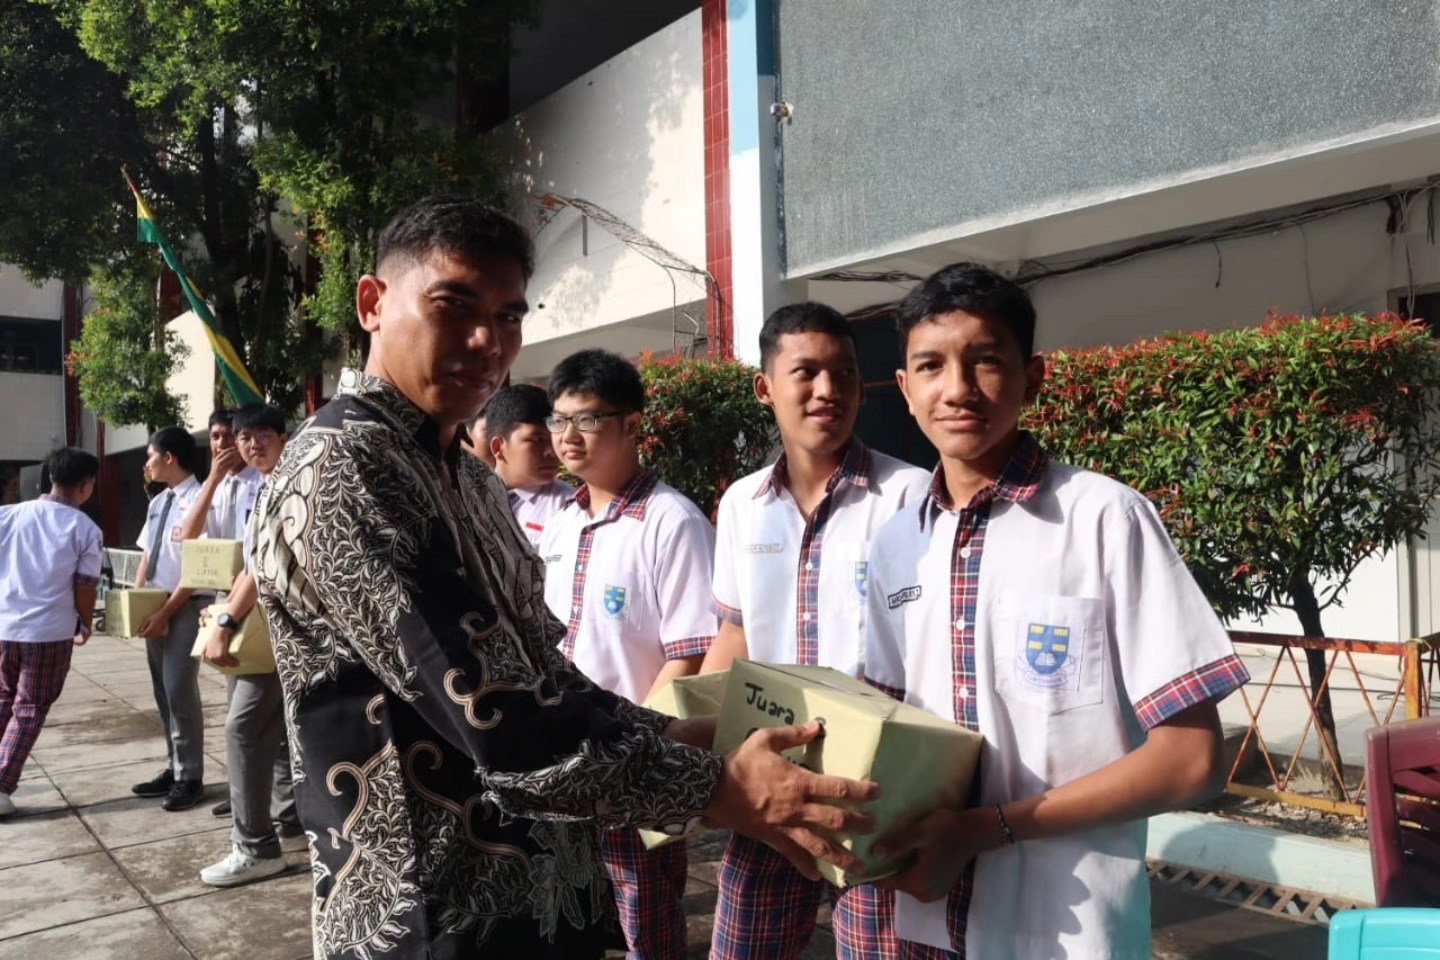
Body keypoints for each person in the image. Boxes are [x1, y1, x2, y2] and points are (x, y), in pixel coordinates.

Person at [249, 196, 879, 960]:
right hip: (427, 914)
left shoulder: (470, 479)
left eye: (509, 316)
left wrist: (666, 732)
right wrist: (721, 789)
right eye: (454, 305)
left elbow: (540, 669)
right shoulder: (345, 467)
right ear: (372, 303)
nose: (488, 341)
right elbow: (498, 718)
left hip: (540, 893)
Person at [856, 263, 1251, 958]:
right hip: (923, 918)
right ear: (906, 389)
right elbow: (886, 732)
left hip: (1066, 933)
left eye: (986, 360)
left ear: (1032, 377)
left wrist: (982, 830)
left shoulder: (1105, 520)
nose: (957, 388)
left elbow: (1191, 760)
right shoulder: (897, 545)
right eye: (931, 365)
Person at [698, 302, 930, 960]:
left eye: (844, 373)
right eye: (806, 372)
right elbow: (735, 636)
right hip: (769, 783)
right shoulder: (742, 505)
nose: (829, 390)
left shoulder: (910, 496)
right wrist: (691, 748)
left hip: (874, 792)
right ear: (765, 387)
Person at [539, 349, 717, 960]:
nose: (568, 436)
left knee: (645, 911)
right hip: (561, 756)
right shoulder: (561, 522)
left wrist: (631, 749)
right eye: (559, 420)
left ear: (632, 425)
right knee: (569, 912)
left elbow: (690, 654)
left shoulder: (672, 522)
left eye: (587, 420)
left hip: (632, 760)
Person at [194, 403, 305, 886]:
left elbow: (262, 570)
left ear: (284, 438)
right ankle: (287, 820)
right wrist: (225, 610)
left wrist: (225, 620)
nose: (252, 443)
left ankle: (256, 846)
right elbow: (249, 566)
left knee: (244, 729)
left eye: (263, 434)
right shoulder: (262, 490)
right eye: (245, 437)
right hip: (269, 629)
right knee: (271, 733)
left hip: (290, 632)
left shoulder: (289, 486)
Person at [0, 448, 103, 817]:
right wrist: (85, 623)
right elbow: (86, 587)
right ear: (86, 485)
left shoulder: (8, 515)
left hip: (5, 625)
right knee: (30, 707)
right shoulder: (84, 528)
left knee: (3, 698)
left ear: (50, 477)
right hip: (49, 632)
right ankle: (1, 783)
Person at [131, 426, 219, 812]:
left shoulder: (202, 499)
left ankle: (190, 776)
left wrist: (165, 611)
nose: (147, 464)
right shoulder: (158, 502)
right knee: (162, 692)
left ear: (169, 458)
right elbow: (147, 555)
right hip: (155, 604)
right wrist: (138, 601)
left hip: (186, 604)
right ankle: (175, 766)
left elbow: (199, 568)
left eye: (150, 456)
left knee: (179, 688)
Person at [177, 407, 257, 819]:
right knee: (236, 702)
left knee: (254, 711)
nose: (223, 444)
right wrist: (212, 479)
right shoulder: (217, 485)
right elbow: (188, 535)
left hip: (258, 597)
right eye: (216, 437)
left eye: (230, 436)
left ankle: (265, 799)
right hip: (226, 600)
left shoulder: (261, 481)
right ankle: (243, 791)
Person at [484, 383, 571, 548]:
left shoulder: (568, 507)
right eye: (537, 440)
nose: (551, 452)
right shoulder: (468, 497)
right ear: (498, 447)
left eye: (555, 439)